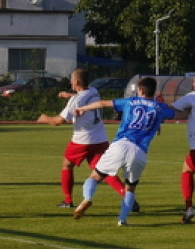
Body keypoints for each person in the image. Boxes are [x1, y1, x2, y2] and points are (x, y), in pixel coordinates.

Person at [72, 76, 175, 226]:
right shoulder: (159, 107)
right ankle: (122, 219)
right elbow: (174, 113)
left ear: (140, 90)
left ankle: (87, 198)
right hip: (139, 152)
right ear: (154, 92)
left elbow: (102, 103)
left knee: (95, 176)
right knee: (130, 188)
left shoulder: (130, 101)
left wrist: (82, 109)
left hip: (120, 145)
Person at [36, 68, 130, 208]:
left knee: (67, 164)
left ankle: (68, 201)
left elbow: (59, 121)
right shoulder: (94, 91)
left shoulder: (76, 100)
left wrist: (43, 118)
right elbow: (81, 97)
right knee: (103, 170)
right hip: (100, 138)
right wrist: (68, 95)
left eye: (72, 80)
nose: (70, 82)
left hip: (82, 141)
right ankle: (127, 196)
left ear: (77, 82)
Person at [169, 89, 195, 223]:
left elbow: (172, 108)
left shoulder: (191, 96)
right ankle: (188, 208)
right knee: (187, 169)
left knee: (187, 171)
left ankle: (188, 207)